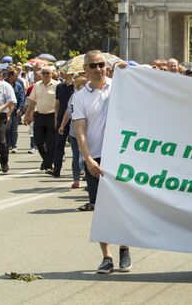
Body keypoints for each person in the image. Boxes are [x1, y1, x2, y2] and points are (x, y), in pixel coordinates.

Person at [70, 50, 131, 274]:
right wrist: (87, 160)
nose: (97, 69)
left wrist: (128, 74)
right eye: (92, 66)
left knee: (122, 206)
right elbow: (80, 131)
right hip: (96, 157)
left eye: (100, 64)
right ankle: (107, 256)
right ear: (85, 69)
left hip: (121, 156)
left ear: (106, 66)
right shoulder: (79, 97)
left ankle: (124, 246)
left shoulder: (119, 86)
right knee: (101, 210)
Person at [24, 66, 58, 171]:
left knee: (51, 142)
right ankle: (47, 160)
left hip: (52, 116)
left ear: (52, 74)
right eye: (44, 73)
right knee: (38, 141)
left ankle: (47, 164)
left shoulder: (57, 85)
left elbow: (59, 103)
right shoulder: (36, 85)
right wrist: (27, 114)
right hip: (39, 115)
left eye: (48, 73)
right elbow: (32, 101)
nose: (46, 75)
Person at [58, 75, 87, 189]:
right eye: (79, 85)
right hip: (74, 132)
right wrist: (62, 126)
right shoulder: (74, 97)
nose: (81, 88)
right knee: (76, 156)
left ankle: (88, 176)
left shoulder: (92, 96)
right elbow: (68, 112)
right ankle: (76, 180)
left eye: (83, 85)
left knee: (85, 156)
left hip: (89, 132)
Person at [49, 70, 75, 177]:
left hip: (74, 119)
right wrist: (56, 118)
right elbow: (57, 103)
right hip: (61, 119)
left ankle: (80, 169)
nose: (62, 73)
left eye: (65, 71)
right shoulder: (59, 87)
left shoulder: (78, 86)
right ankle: (57, 169)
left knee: (76, 146)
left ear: (71, 73)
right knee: (59, 145)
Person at [5, 69, 25, 153]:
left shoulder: (19, 85)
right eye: (15, 76)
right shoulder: (4, 85)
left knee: (14, 129)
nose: (16, 77)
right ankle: (7, 145)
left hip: (16, 110)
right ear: (10, 76)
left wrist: (20, 108)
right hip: (6, 110)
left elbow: (21, 97)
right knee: (7, 128)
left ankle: (14, 145)